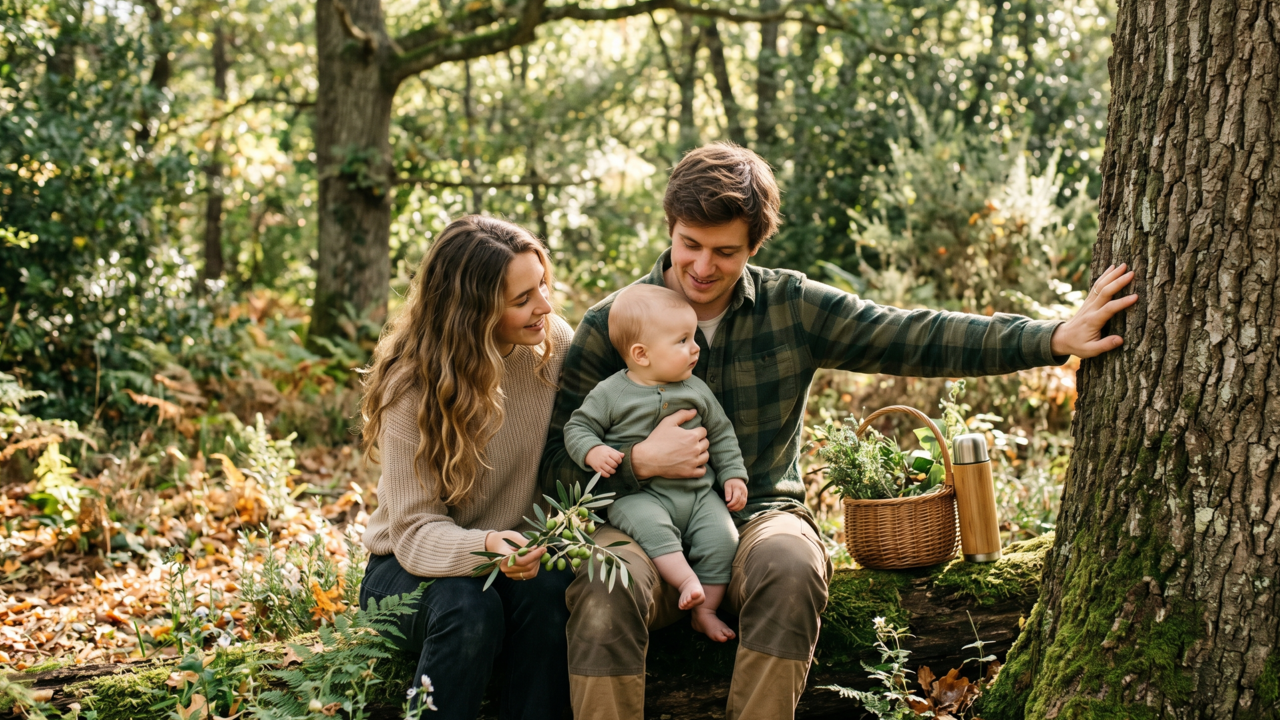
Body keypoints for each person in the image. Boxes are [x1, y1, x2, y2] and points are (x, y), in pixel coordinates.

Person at [539, 143, 1138, 720]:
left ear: (754, 245)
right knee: (600, 587)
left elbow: (911, 335)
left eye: (724, 252)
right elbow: (555, 475)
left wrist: (1053, 338)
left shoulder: (790, 305)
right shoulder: (612, 324)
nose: (701, 267)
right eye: (689, 244)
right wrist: (638, 461)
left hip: (759, 515)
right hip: (638, 523)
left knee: (793, 566)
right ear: (669, 227)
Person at [359, 215, 576, 720]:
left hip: (511, 554)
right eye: (522, 299)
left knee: (552, 593)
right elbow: (412, 532)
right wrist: (485, 546)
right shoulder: (411, 385)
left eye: (542, 284)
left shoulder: (551, 347)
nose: (543, 305)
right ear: (472, 312)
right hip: (403, 568)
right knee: (468, 607)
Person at [563, 284, 749, 643]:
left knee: (724, 538)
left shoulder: (695, 388)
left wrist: (733, 475)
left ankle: (705, 610)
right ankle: (685, 580)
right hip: (640, 496)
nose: (695, 347)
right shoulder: (611, 392)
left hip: (698, 495)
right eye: (682, 340)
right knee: (652, 529)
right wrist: (592, 451)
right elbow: (578, 427)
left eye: (693, 337)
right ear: (641, 354)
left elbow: (722, 434)